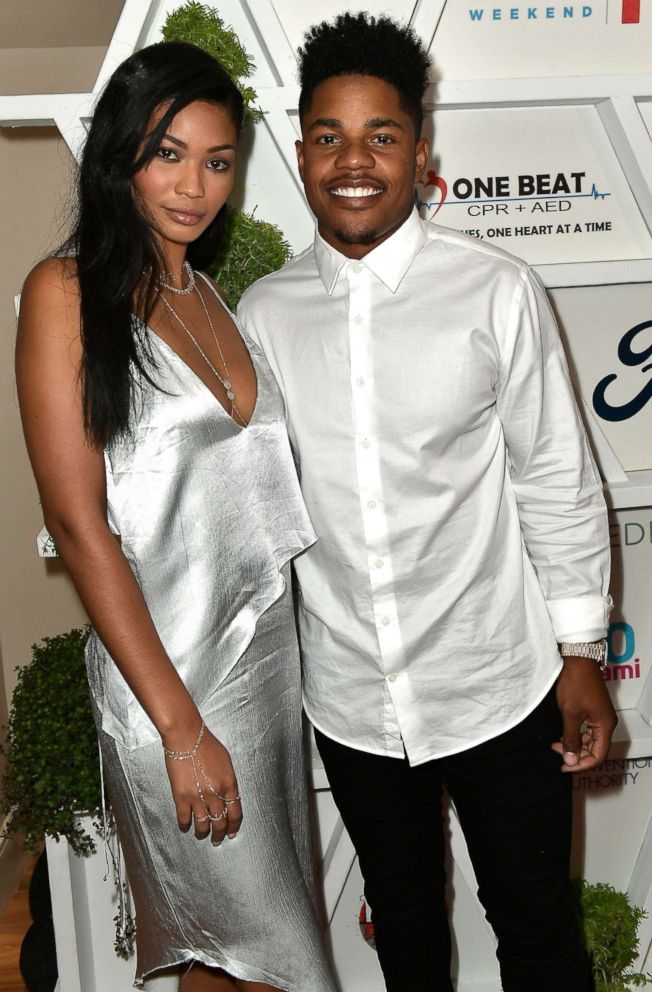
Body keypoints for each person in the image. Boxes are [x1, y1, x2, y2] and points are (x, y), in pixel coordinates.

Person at [238, 12, 617, 992]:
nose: (352, 160)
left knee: (536, 928)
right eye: (328, 136)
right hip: (352, 695)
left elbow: (553, 473)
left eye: (381, 136)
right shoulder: (266, 313)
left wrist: (581, 653)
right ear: (299, 149)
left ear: (420, 152)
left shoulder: (496, 290)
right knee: (403, 924)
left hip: (499, 676)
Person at [16, 41, 335, 992]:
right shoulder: (66, 294)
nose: (195, 185)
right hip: (173, 688)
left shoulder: (211, 298)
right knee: (259, 962)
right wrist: (180, 728)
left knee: (232, 965)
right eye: (169, 153)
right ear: (120, 156)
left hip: (266, 680)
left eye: (218, 160)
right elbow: (79, 526)